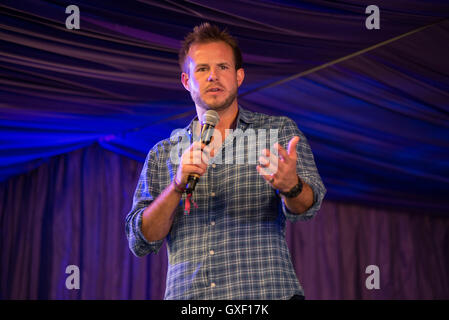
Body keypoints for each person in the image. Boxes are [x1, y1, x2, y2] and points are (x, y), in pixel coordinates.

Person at [125, 22, 326, 300]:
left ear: (239, 76)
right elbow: (140, 240)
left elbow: (308, 207)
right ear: (186, 81)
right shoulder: (163, 153)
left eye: (223, 67)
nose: (213, 77)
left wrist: (291, 186)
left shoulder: (276, 133)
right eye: (202, 69)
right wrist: (177, 186)